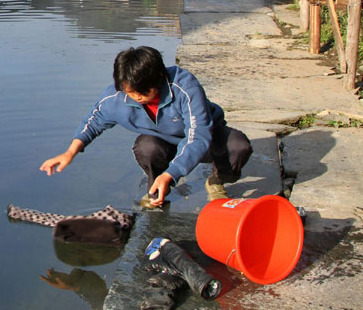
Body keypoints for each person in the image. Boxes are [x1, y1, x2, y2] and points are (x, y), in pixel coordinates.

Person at [39, 46, 252, 209]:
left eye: (142, 91)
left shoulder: (184, 87)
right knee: (146, 146)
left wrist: (173, 173)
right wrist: (70, 152)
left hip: (207, 138)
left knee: (238, 146)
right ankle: (157, 187)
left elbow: (198, 137)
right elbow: (93, 121)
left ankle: (218, 178)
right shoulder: (117, 98)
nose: (137, 97)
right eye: (130, 92)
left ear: (159, 78)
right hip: (163, 141)